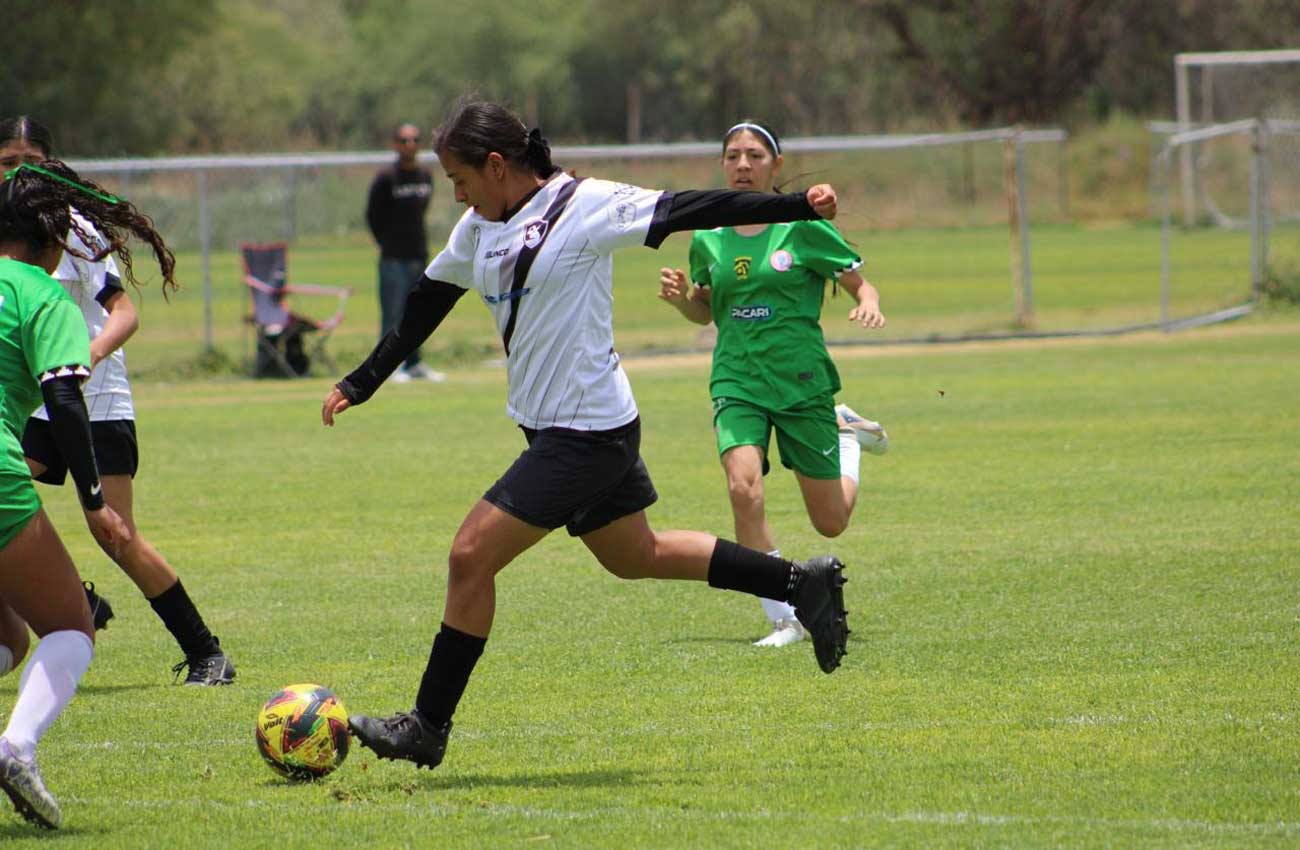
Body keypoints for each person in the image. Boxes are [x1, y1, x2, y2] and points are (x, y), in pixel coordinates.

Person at [322, 97, 853, 772]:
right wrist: (363, 380)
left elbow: (689, 208)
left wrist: (797, 205)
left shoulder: (586, 204)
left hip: (586, 434)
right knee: (636, 555)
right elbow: (426, 303)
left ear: (496, 165)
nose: (455, 194)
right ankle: (800, 581)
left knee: (469, 556)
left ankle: (428, 725)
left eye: (460, 179)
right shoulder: (476, 228)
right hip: (562, 428)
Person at [0, 116, 234, 686]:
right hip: (34, 401)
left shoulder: (71, 229)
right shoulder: (7, 228)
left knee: (115, 534)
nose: (18, 171)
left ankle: (206, 652)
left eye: (30, 161)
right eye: (8, 161)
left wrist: (88, 356)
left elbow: (125, 313)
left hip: (92, 399)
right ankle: (69, 597)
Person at [657, 120, 889, 648]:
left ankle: (848, 437)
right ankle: (785, 618)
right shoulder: (708, 237)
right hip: (736, 378)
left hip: (801, 381)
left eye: (755, 156)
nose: (743, 165)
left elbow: (861, 284)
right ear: (722, 164)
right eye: (733, 156)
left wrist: (869, 304)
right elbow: (705, 310)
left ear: (775, 165)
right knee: (743, 487)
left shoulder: (802, 227)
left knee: (831, 522)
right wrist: (681, 301)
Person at [0, 159, 136, 829]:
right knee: (70, 628)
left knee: (8, 634)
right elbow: (63, 397)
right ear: (55, 240)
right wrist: (93, 500)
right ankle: (16, 750)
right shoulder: (43, 295)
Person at [365, 122, 446, 384]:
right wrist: (386, 243)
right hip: (393, 258)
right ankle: (389, 367)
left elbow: (422, 209)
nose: (409, 145)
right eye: (404, 140)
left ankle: (415, 363)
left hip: (418, 255)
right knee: (393, 313)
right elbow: (373, 215)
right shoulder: (386, 177)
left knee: (418, 312)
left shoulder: (424, 175)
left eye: (414, 140)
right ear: (395, 144)